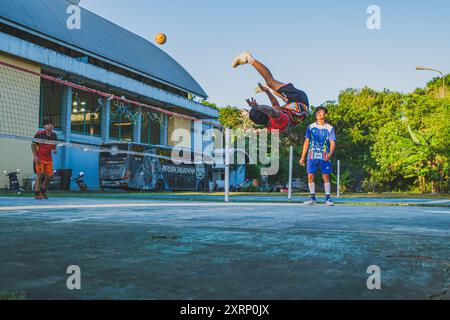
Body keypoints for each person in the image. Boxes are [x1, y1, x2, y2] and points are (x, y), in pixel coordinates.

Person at [232, 51, 310, 132]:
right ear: (265, 112)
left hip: (294, 106)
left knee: (273, 89)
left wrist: (268, 92)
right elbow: (272, 110)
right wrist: (258, 107)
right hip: (300, 100)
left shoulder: (271, 127)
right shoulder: (278, 118)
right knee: (270, 82)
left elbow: (275, 105)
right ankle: (248, 58)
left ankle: (270, 89)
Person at [299, 106, 336, 206]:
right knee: (310, 176)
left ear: (325, 115)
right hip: (312, 155)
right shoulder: (310, 127)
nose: (321, 114)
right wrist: (303, 156)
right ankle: (312, 198)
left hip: (324, 156)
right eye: (319, 112)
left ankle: (328, 199)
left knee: (326, 176)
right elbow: (307, 142)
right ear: (316, 115)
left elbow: (332, 143)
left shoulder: (329, 128)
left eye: (323, 113)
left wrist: (330, 154)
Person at [32, 119, 58, 200]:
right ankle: (37, 193)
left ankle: (43, 191)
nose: (50, 126)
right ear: (44, 126)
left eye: (52, 124)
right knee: (40, 175)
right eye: (48, 124)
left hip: (49, 159)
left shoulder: (54, 135)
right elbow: (33, 146)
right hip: (39, 158)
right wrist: (35, 156)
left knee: (50, 176)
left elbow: (53, 145)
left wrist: (54, 149)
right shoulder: (39, 134)